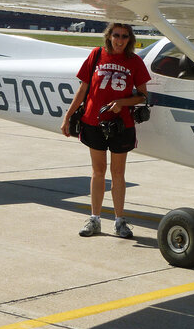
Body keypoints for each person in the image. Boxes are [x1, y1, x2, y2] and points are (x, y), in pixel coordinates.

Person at [60, 23, 151, 238]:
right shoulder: (96, 55)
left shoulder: (135, 62)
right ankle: (95, 219)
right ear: (109, 36)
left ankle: (120, 221)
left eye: (125, 36)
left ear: (130, 39)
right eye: (116, 35)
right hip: (93, 122)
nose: (120, 40)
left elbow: (143, 97)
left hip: (122, 125)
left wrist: (122, 102)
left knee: (118, 174)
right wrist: (67, 116)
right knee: (98, 171)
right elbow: (83, 89)